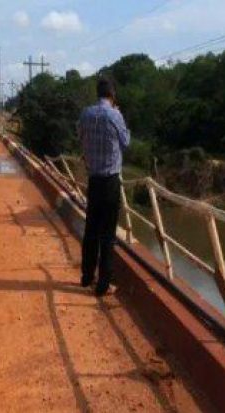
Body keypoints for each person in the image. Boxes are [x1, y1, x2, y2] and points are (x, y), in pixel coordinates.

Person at [77, 77, 130, 296]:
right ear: (112, 94)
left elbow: (80, 137)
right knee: (107, 235)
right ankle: (103, 284)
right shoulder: (115, 115)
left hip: (93, 179)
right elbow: (126, 143)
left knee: (90, 230)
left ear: (97, 93)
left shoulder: (86, 114)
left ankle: (86, 277)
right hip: (110, 181)